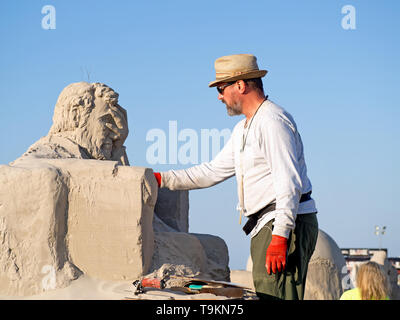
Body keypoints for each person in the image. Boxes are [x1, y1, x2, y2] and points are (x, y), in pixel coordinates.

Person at [153, 54, 319, 300]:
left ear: (240, 85)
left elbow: (289, 183)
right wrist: (161, 179)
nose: (219, 97)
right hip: (266, 226)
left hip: (282, 225)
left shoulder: (271, 121)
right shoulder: (243, 129)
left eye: (221, 88)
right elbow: (211, 171)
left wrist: (280, 236)